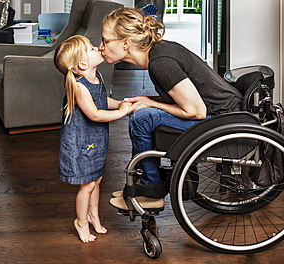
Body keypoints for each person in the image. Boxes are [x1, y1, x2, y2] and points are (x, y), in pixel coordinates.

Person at [99, 8, 243, 210]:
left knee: (142, 118)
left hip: (221, 118)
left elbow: (196, 111)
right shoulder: (158, 53)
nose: (101, 46)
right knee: (143, 111)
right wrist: (148, 99)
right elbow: (180, 96)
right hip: (219, 111)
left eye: (105, 41)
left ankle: (151, 192)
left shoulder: (161, 63)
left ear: (125, 43)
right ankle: (143, 183)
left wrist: (151, 103)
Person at [54, 35, 132, 243]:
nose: (98, 47)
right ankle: (81, 221)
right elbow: (95, 114)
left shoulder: (97, 76)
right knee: (87, 185)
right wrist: (122, 113)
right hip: (80, 145)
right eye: (90, 48)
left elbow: (102, 99)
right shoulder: (79, 87)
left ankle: (93, 216)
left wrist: (120, 104)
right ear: (82, 63)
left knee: (96, 179)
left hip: (95, 140)